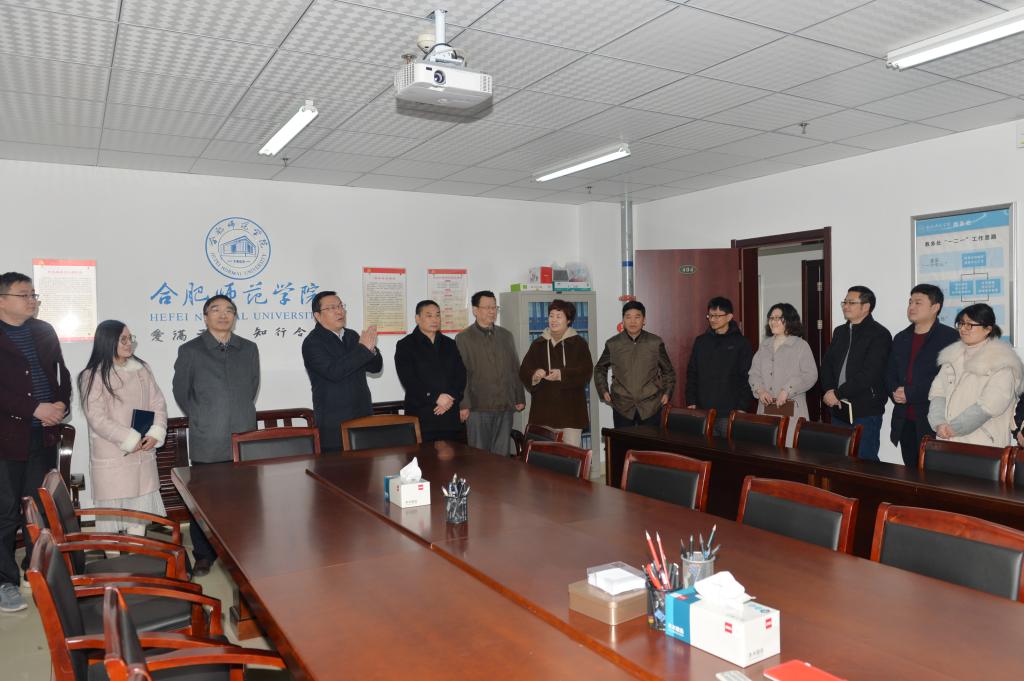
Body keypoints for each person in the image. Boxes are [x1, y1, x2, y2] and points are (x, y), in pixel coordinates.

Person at [172, 294, 259, 576]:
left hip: (243, 434)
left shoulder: (248, 348)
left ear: (235, 316)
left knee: (243, 498)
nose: (223, 315)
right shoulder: (191, 350)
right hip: (208, 436)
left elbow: (252, 386)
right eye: (216, 310)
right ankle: (204, 555)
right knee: (205, 500)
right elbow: (181, 392)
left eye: (229, 310)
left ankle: (241, 546)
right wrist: (204, 416)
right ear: (205, 316)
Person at [0, 272, 70, 612]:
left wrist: (61, 404)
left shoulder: (44, 331)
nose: (32, 300)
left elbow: (61, 375)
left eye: (33, 294)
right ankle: (5, 582)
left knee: (37, 508)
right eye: (24, 295)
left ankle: (36, 570)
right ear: (2, 300)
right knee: (5, 511)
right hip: (6, 440)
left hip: (42, 437)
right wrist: (33, 408)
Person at [79, 320, 168, 535]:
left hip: (143, 453)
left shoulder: (141, 369)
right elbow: (96, 418)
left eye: (130, 338)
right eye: (123, 339)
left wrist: (156, 432)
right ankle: (113, 556)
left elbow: (158, 403)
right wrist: (129, 438)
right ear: (108, 341)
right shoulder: (92, 375)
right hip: (113, 454)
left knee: (139, 517)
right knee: (112, 519)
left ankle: (138, 552)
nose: (129, 344)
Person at [928, 304, 1024, 446]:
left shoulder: (1002, 362)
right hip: (947, 439)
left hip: (983, 443)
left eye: (969, 325)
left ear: (987, 329)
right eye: (961, 323)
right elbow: (938, 393)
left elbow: (990, 405)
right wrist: (939, 423)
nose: (963, 329)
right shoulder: (951, 358)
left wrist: (954, 428)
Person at [885, 284, 959, 467]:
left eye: (918, 303)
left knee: (934, 472)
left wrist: (911, 393)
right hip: (904, 418)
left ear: (935, 307)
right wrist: (895, 391)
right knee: (910, 470)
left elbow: (946, 379)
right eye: (910, 302)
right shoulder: (901, 337)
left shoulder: (950, 337)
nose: (912, 307)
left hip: (933, 418)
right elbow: (889, 372)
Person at [302, 291, 382, 451]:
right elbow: (334, 372)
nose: (339, 311)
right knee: (338, 466)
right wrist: (363, 349)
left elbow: (375, 368)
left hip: (363, 416)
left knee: (367, 465)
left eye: (340, 306)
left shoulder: (352, 336)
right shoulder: (312, 342)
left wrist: (372, 350)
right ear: (318, 316)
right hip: (334, 422)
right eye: (332, 308)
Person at [819, 286, 892, 461]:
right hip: (838, 407)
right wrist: (829, 390)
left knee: (864, 460)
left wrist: (838, 393)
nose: (845, 306)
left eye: (851, 302)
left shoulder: (879, 334)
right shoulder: (840, 332)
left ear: (866, 307)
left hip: (864, 409)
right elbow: (827, 365)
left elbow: (870, 374)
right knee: (839, 459)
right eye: (844, 302)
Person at [455, 291, 525, 455]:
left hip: (505, 405)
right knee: (480, 455)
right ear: (475, 310)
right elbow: (461, 374)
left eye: (494, 307)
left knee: (502, 455)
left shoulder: (506, 335)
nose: (492, 311)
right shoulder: (464, 338)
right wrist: (464, 405)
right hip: (478, 407)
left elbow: (514, 368)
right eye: (487, 307)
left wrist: (519, 397)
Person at [518, 299, 594, 447]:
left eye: (559, 316)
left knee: (570, 456)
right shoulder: (538, 344)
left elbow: (586, 371)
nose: (553, 320)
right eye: (551, 316)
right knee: (543, 456)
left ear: (568, 320)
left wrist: (562, 375)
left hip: (571, 413)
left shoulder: (579, 343)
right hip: (543, 412)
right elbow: (524, 370)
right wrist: (535, 374)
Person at [594, 300, 675, 428]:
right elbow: (600, 368)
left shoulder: (655, 342)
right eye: (628, 317)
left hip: (651, 405)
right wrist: (603, 390)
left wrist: (667, 392)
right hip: (622, 405)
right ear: (623, 320)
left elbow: (668, 371)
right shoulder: (613, 344)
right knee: (623, 441)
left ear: (644, 320)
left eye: (637, 317)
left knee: (649, 441)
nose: (632, 321)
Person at [395, 300, 466, 442]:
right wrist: (436, 397)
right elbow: (409, 381)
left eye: (437, 315)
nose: (435, 319)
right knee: (424, 456)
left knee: (452, 455)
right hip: (422, 415)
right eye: (429, 315)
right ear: (417, 318)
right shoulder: (406, 345)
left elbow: (461, 375)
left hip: (449, 414)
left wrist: (450, 397)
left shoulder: (450, 344)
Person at [747, 303, 818, 446]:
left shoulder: (800, 345)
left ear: (790, 320)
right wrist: (760, 390)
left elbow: (810, 375)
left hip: (792, 411)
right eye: (771, 318)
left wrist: (787, 389)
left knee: (790, 451)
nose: (773, 321)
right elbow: (753, 374)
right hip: (766, 410)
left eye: (778, 318)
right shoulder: (764, 346)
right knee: (765, 451)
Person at [685, 297, 753, 437]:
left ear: (729, 317)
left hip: (729, 413)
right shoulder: (701, 342)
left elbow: (747, 377)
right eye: (710, 315)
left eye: (717, 316)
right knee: (702, 448)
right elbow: (692, 372)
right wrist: (691, 400)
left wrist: (742, 407)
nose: (713, 319)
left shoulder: (741, 343)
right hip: (702, 411)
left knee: (728, 449)